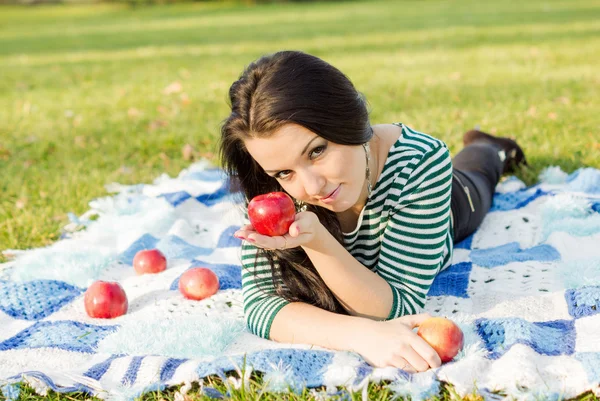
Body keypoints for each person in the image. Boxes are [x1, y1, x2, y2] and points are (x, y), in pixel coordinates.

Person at [219, 50, 527, 372]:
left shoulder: (419, 162)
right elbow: (260, 307)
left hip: (454, 203)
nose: (311, 187)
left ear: (348, 121)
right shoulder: (276, 194)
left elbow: (397, 306)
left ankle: (490, 146)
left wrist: (318, 243)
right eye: (284, 172)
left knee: (479, 172)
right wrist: (362, 336)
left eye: (317, 151)